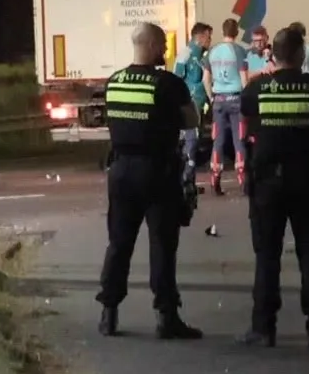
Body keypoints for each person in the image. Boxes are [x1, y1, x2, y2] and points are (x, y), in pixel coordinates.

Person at [96, 23, 204, 340]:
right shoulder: (168, 83)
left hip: (120, 171)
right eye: (164, 46)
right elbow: (191, 121)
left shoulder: (114, 82)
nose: (167, 51)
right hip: (157, 172)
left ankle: (109, 313)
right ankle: (166, 316)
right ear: (154, 45)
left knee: (119, 243)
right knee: (162, 244)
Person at [238, 27, 309, 348]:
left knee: (267, 254)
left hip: (268, 181)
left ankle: (264, 327)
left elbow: (250, 129)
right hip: (307, 178)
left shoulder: (256, 90)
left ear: (272, 54)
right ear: (299, 55)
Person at [206, 19, 249, 195]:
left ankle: (215, 177)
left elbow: (205, 79)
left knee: (218, 140)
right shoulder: (239, 51)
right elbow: (244, 78)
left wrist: (211, 98)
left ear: (222, 31)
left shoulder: (213, 51)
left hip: (218, 99)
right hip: (236, 99)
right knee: (239, 140)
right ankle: (242, 179)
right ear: (236, 32)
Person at [173, 22, 213, 189]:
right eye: (208, 36)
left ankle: (189, 179)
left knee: (195, 139)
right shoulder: (186, 53)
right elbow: (177, 77)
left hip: (199, 103)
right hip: (191, 102)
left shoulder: (202, 54)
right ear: (200, 36)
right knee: (191, 137)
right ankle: (186, 176)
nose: (210, 40)